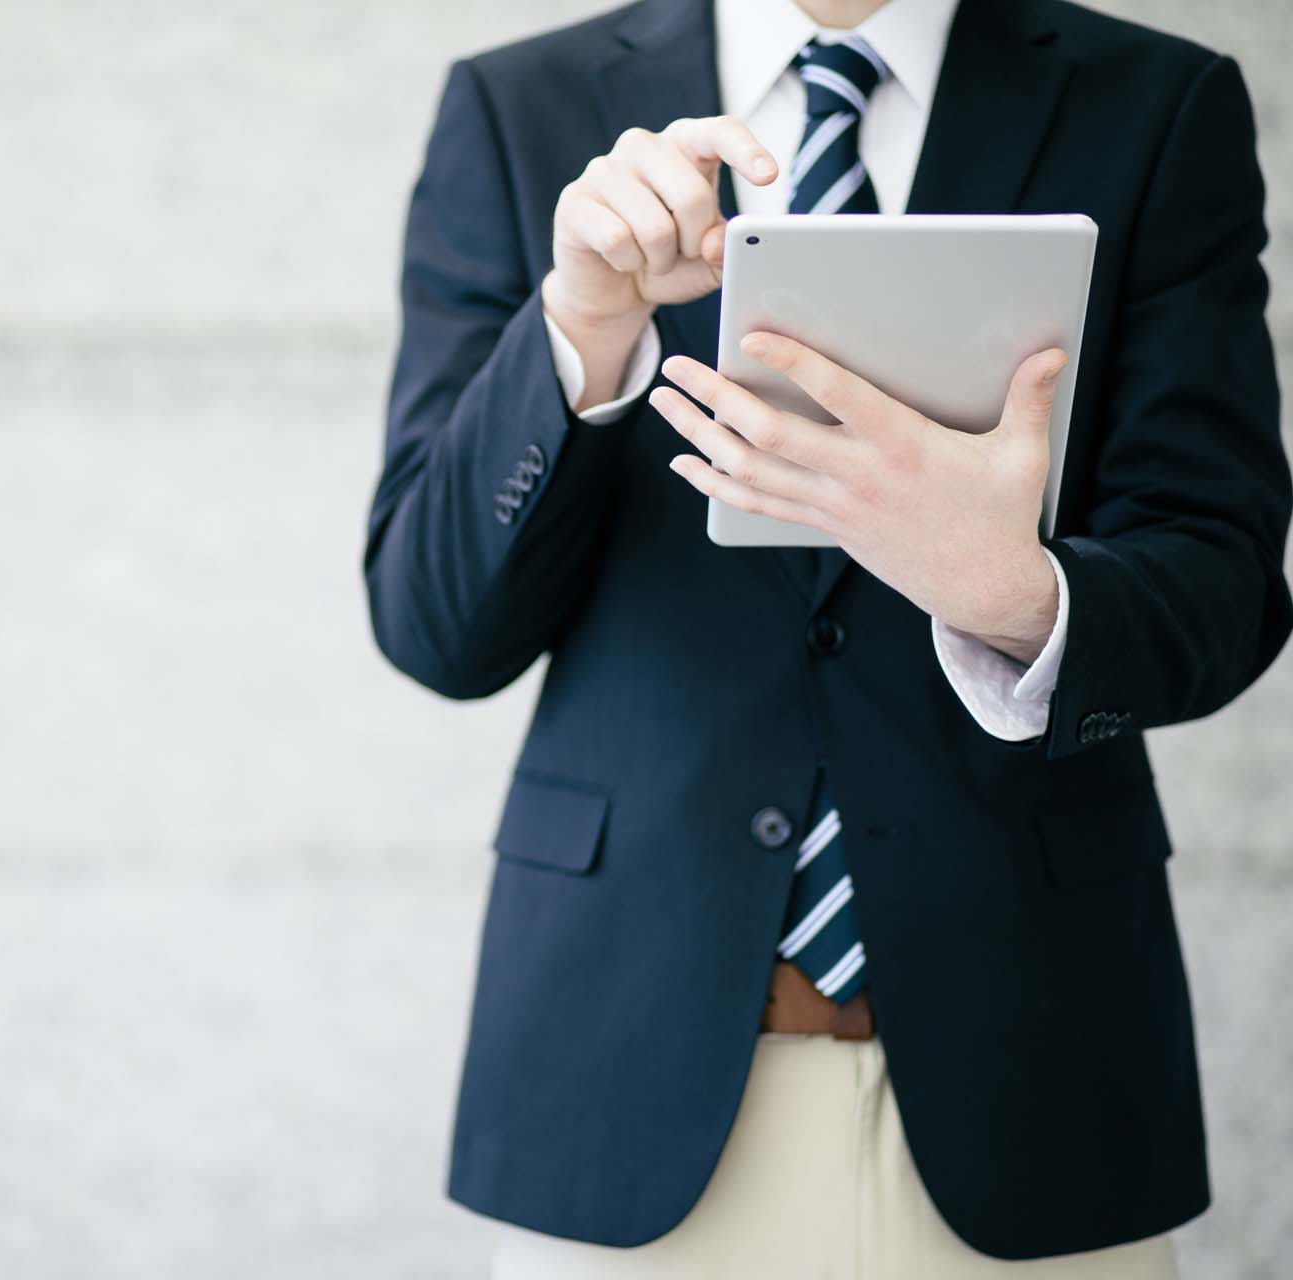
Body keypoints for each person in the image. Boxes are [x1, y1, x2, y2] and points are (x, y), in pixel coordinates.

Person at [361, 0, 1292, 1274]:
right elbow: (432, 623)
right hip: (625, 1074)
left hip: (1035, 1071)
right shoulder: (521, 106)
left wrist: (1016, 591)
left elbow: (1227, 581)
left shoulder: (1155, 103)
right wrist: (579, 329)